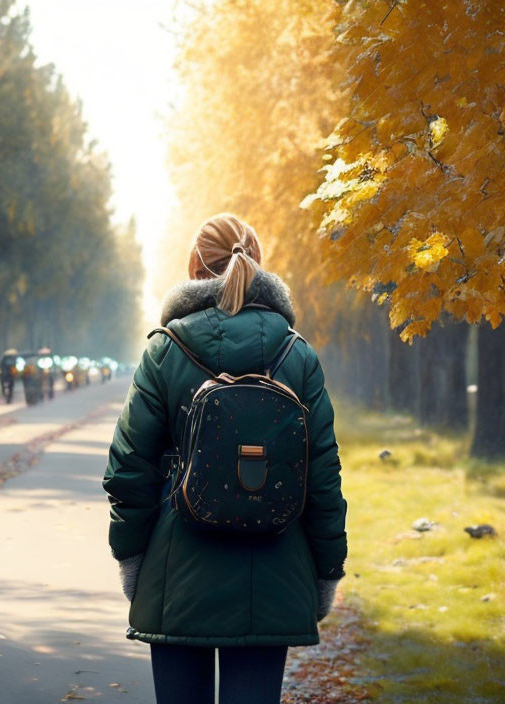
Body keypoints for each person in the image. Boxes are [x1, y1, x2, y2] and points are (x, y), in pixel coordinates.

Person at [102, 214, 347, 704]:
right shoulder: (297, 355)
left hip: (176, 577)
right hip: (275, 574)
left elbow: (130, 469)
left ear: (194, 266)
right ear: (257, 266)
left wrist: (132, 559)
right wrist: (326, 572)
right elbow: (322, 478)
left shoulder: (165, 351)